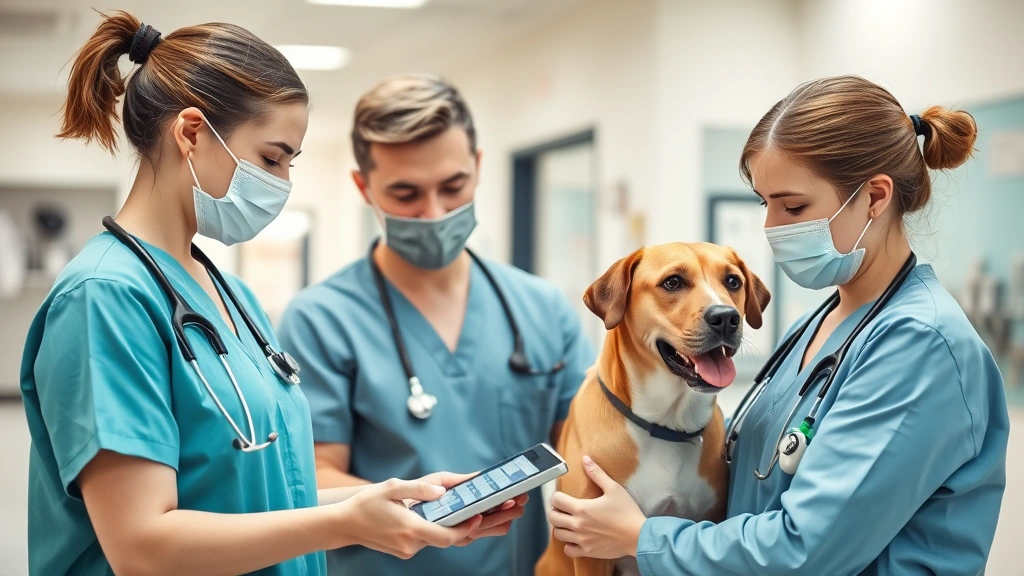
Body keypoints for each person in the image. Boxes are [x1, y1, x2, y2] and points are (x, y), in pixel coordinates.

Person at [20, 13, 523, 576]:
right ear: (190, 133)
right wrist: (347, 523)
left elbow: (264, 496)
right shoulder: (104, 298)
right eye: (271, 158)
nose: (282, 183)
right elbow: (143, 545)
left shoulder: (231, 296)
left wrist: (387, 500)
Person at [545, 75, 1010, 575]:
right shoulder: (823, 324)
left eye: (793, 206)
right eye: (764, 204)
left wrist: (642, 537)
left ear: (875, 198)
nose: (770, 228)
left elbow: (804, 551)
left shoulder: (921, 346)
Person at [276, 73, 595, 576]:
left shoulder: (542, 310)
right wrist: (423, 504)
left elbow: (587, 450)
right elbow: (316, 475)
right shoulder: (322, 320)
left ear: (479, 167)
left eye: (453, 186)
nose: (434, 213)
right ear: (363, 186)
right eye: (405, 194)